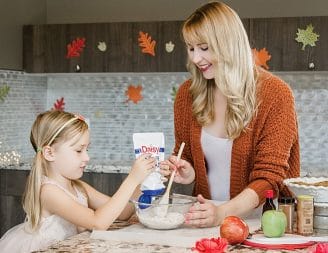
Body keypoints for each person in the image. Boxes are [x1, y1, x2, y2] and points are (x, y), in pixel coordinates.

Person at [160, 1, 300, 228]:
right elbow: (185, 153)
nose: (196, 58)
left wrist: (222, 212)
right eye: (191, 47)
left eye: (204, 48)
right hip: (206, 220)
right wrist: (188, 172)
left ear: (228, 45)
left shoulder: (275, 94)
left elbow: (269, 179)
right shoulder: (188, 94)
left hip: (263, 224)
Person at [0, 110, 155, 253]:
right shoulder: (48, 191)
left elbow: (123, 213)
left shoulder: (79, 187)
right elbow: (98, 222)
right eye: (79, 150)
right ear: (49, 153)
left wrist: (144, 180)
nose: (87, 157)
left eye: (87, 149)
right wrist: (132, 178)